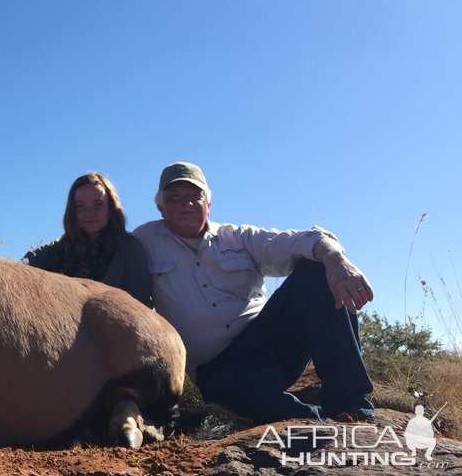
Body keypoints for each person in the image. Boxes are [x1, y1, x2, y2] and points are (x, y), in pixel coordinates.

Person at [132, 161, 375, 424]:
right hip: (218, 369)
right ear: (160, 206)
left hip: (270, 343)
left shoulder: (237, 237)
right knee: (245, 395)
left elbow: (300, 241)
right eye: (174, 198)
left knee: (316, 268)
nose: (186, 204)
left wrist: (336, 259)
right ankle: (321, 423)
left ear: (209, 203)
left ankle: (351, 405)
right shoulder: (144, 241)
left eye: (194, 196)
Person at [0, 172, 151, 306]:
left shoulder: (130, 249)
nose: (89, 213)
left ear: (111, 207)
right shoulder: (58, 250)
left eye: (98, 204)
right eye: (80, 206)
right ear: (72, 210)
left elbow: (139, 310)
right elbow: (13, 273)